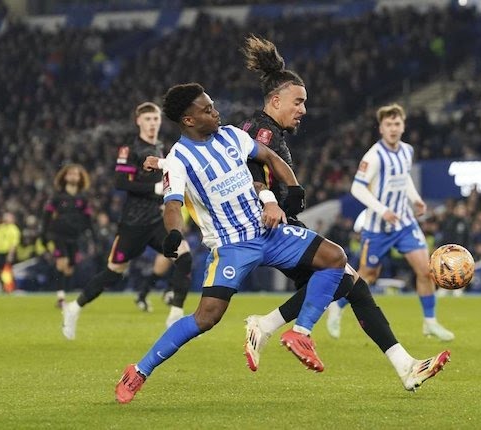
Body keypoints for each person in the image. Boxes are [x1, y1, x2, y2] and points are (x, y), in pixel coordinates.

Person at [237, 35, 451, 389]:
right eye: (299, 102)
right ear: (276, 100)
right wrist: (269, 201)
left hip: (280, 224)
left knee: (349, 285)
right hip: (272, 227)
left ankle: (406, 367)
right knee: (341, 271)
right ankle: (294, 331)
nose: (304, 109)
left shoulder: (266, 130)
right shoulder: (261, 131)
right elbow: (252, 170)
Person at [115, 83, 347, 404]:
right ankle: (139, 370)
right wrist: (173, 233)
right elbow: (172, 204)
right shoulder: (179, 159)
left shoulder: (232, 135)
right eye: (207, 109)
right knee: (206, 318)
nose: (215, 112)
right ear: (188, 120)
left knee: (335, 258)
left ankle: (300, 333)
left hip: (269, 232)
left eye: (212, 105)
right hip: (231, 247)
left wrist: (293, 188)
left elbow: (269, 157)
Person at [61, 102, 193, 340]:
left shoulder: (161, 147)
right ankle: (74, 308)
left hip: (157, 220)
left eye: (156, 119)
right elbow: (121, 183)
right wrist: (155, 188)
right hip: (133, 223)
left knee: (184, 256)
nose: (153, 123)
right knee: (113, 273)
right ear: (138, 121)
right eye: (149, 119)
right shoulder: (130, 149)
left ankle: (175, 315)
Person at [328, 103, 455, 341]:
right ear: (381, 128)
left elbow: (403, 177)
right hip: (378, 227)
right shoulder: (374, 156)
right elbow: (357, 187)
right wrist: (382, 209)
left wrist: (416, 199)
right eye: (388, 124)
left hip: (405, 223)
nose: (393, 128)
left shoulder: (406, 150)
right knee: (368, 276)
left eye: (397, 124)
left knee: (425, 271)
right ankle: (337, 307)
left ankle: (430, 323)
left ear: (403, 126)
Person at [41, 164, 94, 307]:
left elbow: (88, 219)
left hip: (75, 236)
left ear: (80, 177)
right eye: (70, 174)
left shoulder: (83, 198)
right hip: (58, 234)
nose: (73, 176)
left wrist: (92, 236)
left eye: (76, 174)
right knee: (62, 262)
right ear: (64, 177)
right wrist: (43, 235)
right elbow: (46, 216)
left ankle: (63, 292)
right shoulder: (57, 197)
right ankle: (60, 297)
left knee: (70, 267)